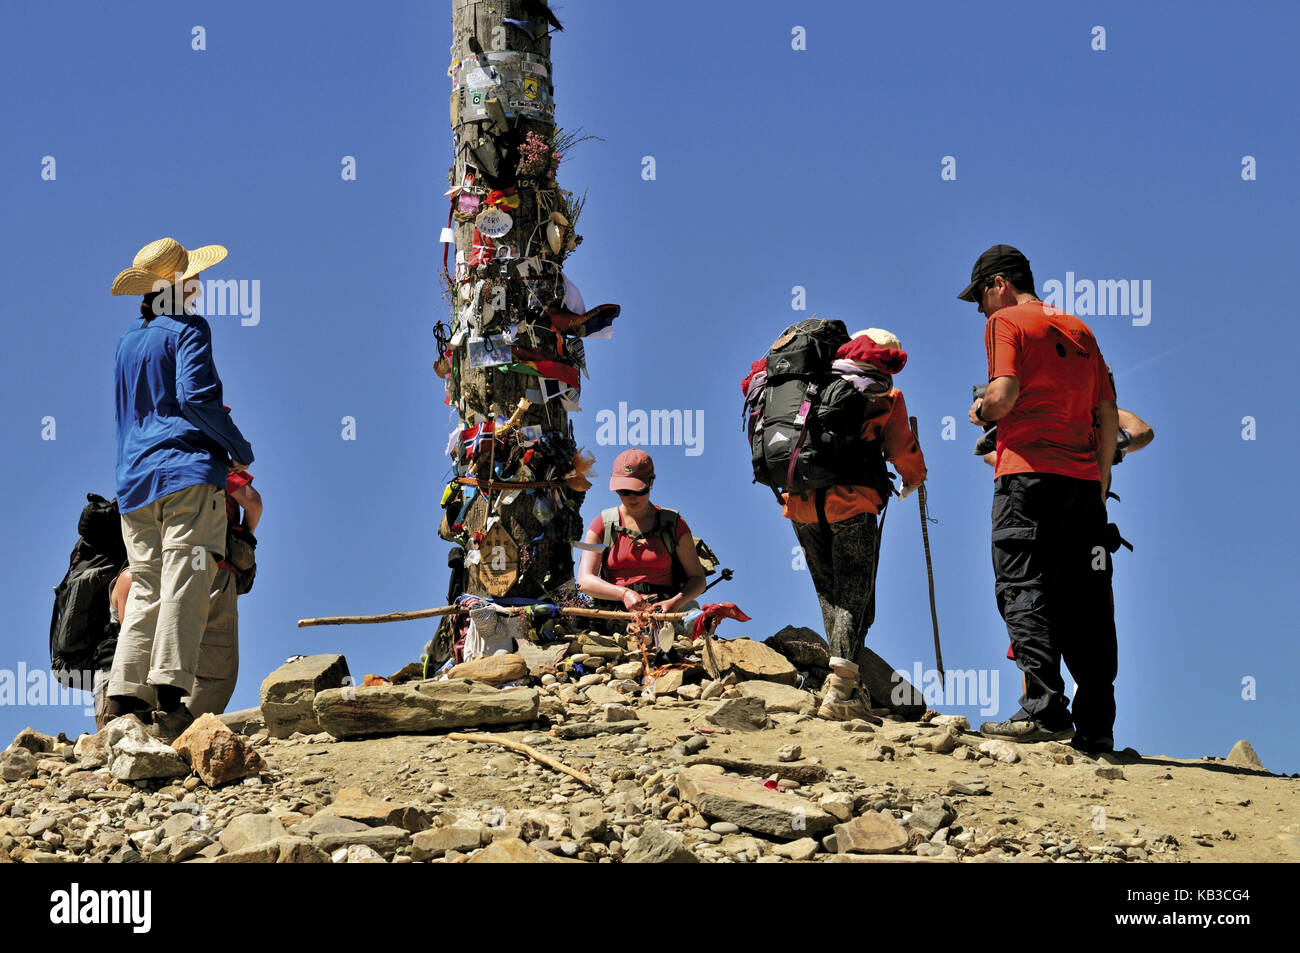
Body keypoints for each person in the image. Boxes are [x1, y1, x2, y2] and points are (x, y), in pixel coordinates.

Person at [959, 244, 1119, 752]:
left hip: (1026, 477)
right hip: (1083, 485)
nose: (980, 311)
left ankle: (1044, 711)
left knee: (1023, 588)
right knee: (1087, 601)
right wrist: (1099, 484)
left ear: (999, 284)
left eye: (980, 298)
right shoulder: (1081, 330)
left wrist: (982, 410)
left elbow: (1003, 394)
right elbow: (1107, 415)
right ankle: (1097, 724)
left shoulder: (1005, 322)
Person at [105, 237, 254, 740]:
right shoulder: (190, 329)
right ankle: (171, 698)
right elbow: (196, 399)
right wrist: (238, 447)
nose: (200, 285)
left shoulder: (128, 340)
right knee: (186, 577)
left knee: (147, 584)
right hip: (186, 472)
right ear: (181, 285)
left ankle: (124, 698)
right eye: (193, 278)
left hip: (134, 481)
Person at [758, 325, 927, 719]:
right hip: (853, 502)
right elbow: (902, 449)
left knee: (829, 594)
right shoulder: (883, 392)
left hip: (800, 503)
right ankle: (841, 690)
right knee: (855, 596)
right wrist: (915, 478)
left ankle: (843, 682)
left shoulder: (805, 385)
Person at [575, 449, 707, 649]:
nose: (631, 497)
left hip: (666, 609)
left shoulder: (673, 524)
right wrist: (624, 594)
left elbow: (698, 580)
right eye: (623, 491)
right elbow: (585, 580)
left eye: (638, 490)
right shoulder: (602, 524)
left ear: (650, 482)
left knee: (695, 621)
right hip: (617, 612)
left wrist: (674, 603)